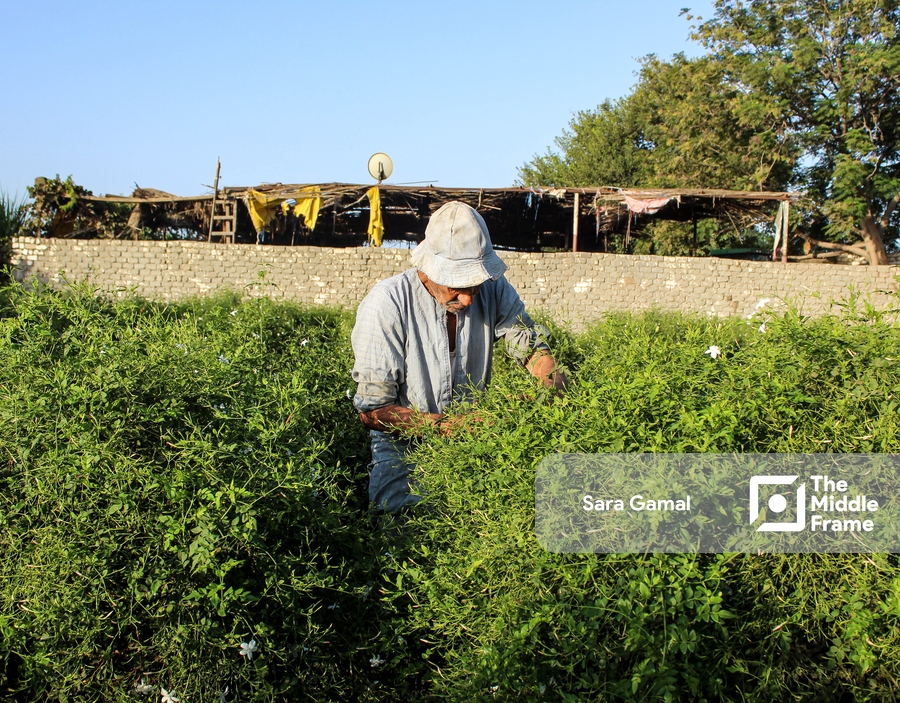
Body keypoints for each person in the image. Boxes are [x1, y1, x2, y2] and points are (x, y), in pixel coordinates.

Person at [350, 201, 567, 513]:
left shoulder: (494, 290)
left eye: (474, 286)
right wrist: (444, 426)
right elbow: (372, 412)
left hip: (475, 437)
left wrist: (548, 382)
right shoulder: (387, 304)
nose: (467, 298)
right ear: (428, 268)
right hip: (404, 446)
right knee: (405, 525)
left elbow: (531, 347)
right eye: (457, 286)